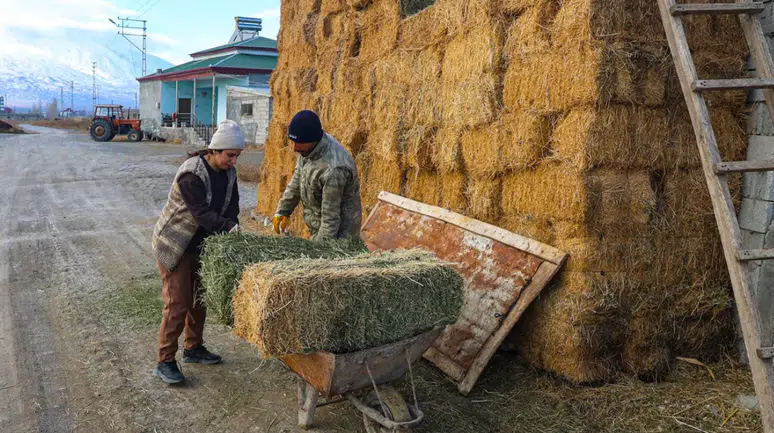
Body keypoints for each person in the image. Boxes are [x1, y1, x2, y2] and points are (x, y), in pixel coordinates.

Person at [151, 119, 245, 384]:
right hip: (176, 245)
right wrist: (227, 227)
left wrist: (234, 226)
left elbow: (231, 207)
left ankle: (193, 348)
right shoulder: (191, 173)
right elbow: (201, 213)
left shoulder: (229, 173)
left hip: (202, 245)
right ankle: (165, 361)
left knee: (199, 299)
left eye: (237, 156)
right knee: (177, 303)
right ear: (215, 150)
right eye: (230, 155)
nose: (233, 161)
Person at [273, 110, 362, 240]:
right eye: (292, 142)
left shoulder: (334, 169)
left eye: (299, 143)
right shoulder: (309, 151)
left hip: (339, 236)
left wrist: (319, 252)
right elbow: (298, 179)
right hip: (319, 227)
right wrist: (283, 209)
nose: (294, 148)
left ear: (313, 140)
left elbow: (330, 219)